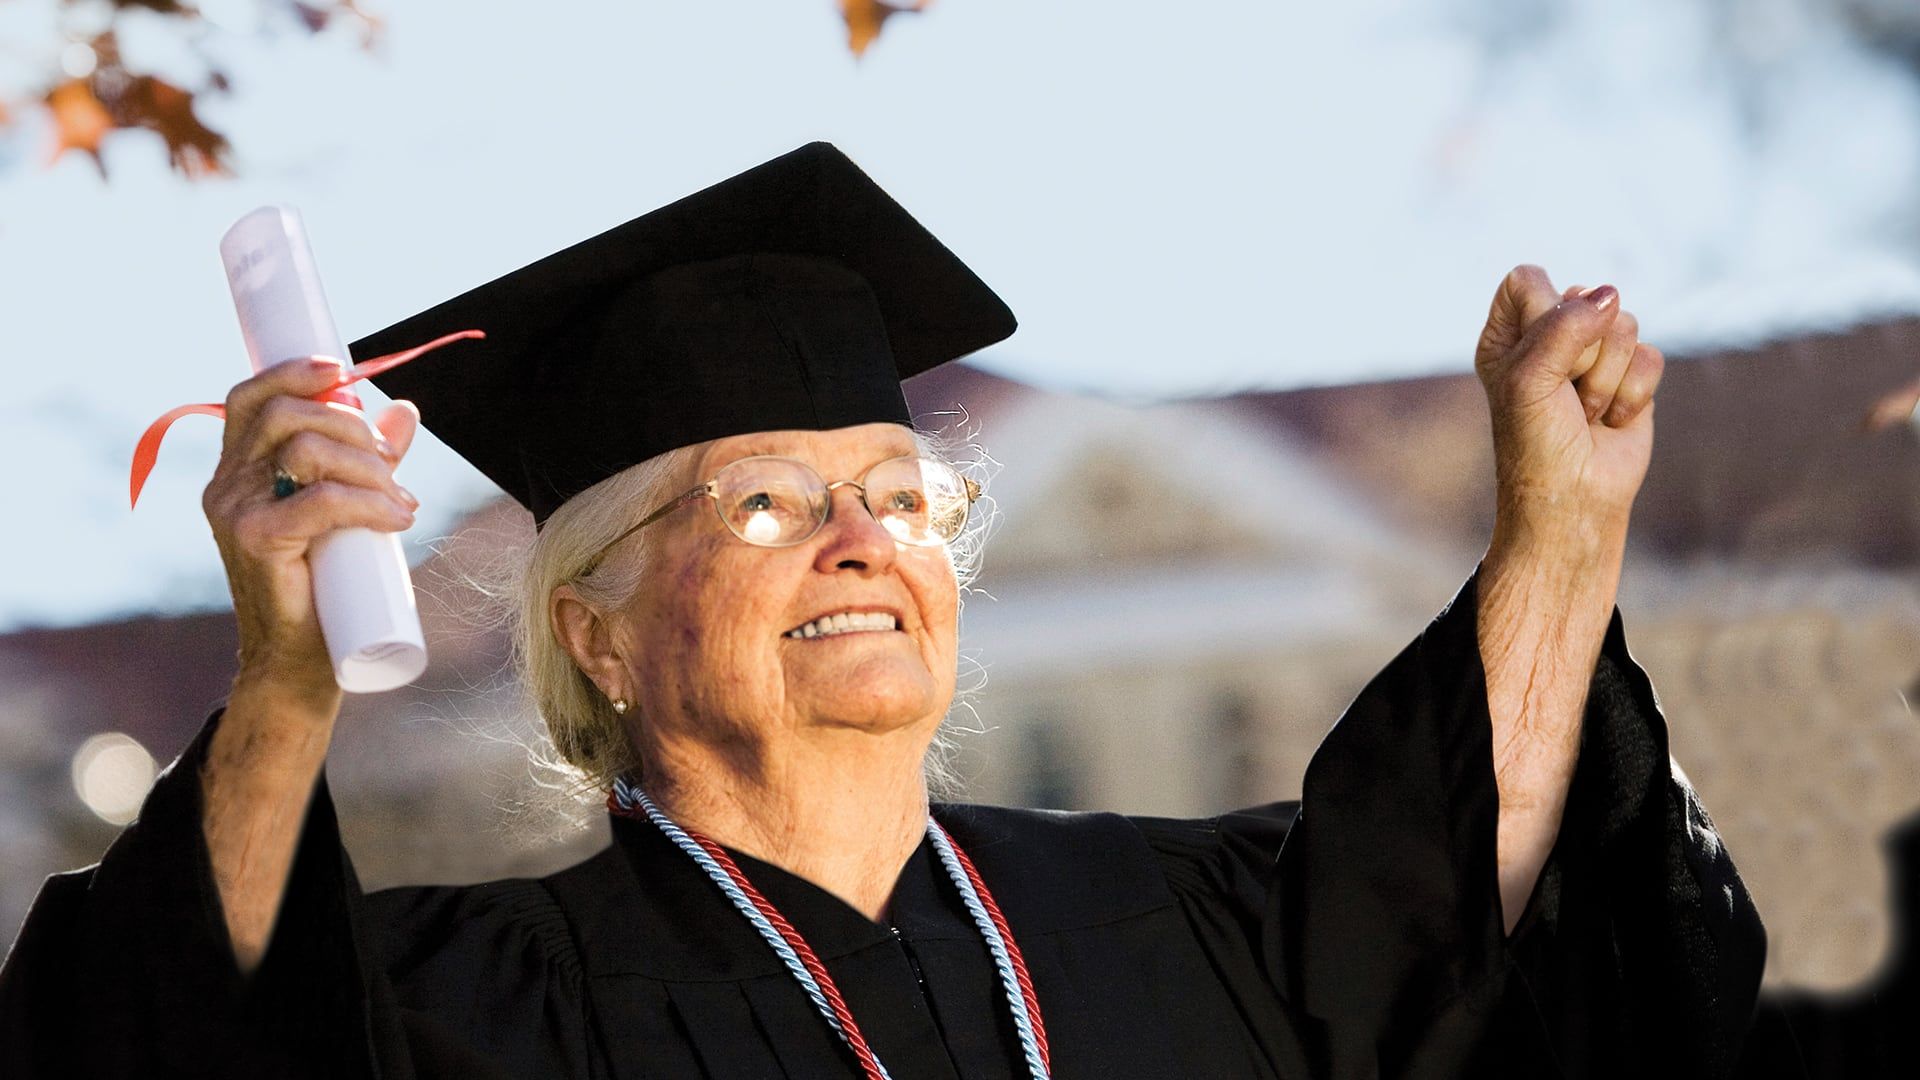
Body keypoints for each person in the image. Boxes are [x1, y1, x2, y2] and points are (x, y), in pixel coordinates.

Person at [0, 143, 1763, 1078]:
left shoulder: (1182, 920)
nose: (859, 537)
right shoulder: (466, 1009)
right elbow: (176, 1028)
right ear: (598, 632)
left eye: (901, 496)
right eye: (764, 501)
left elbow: (1474, 905)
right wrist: (293, 673)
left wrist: (1562, 526)